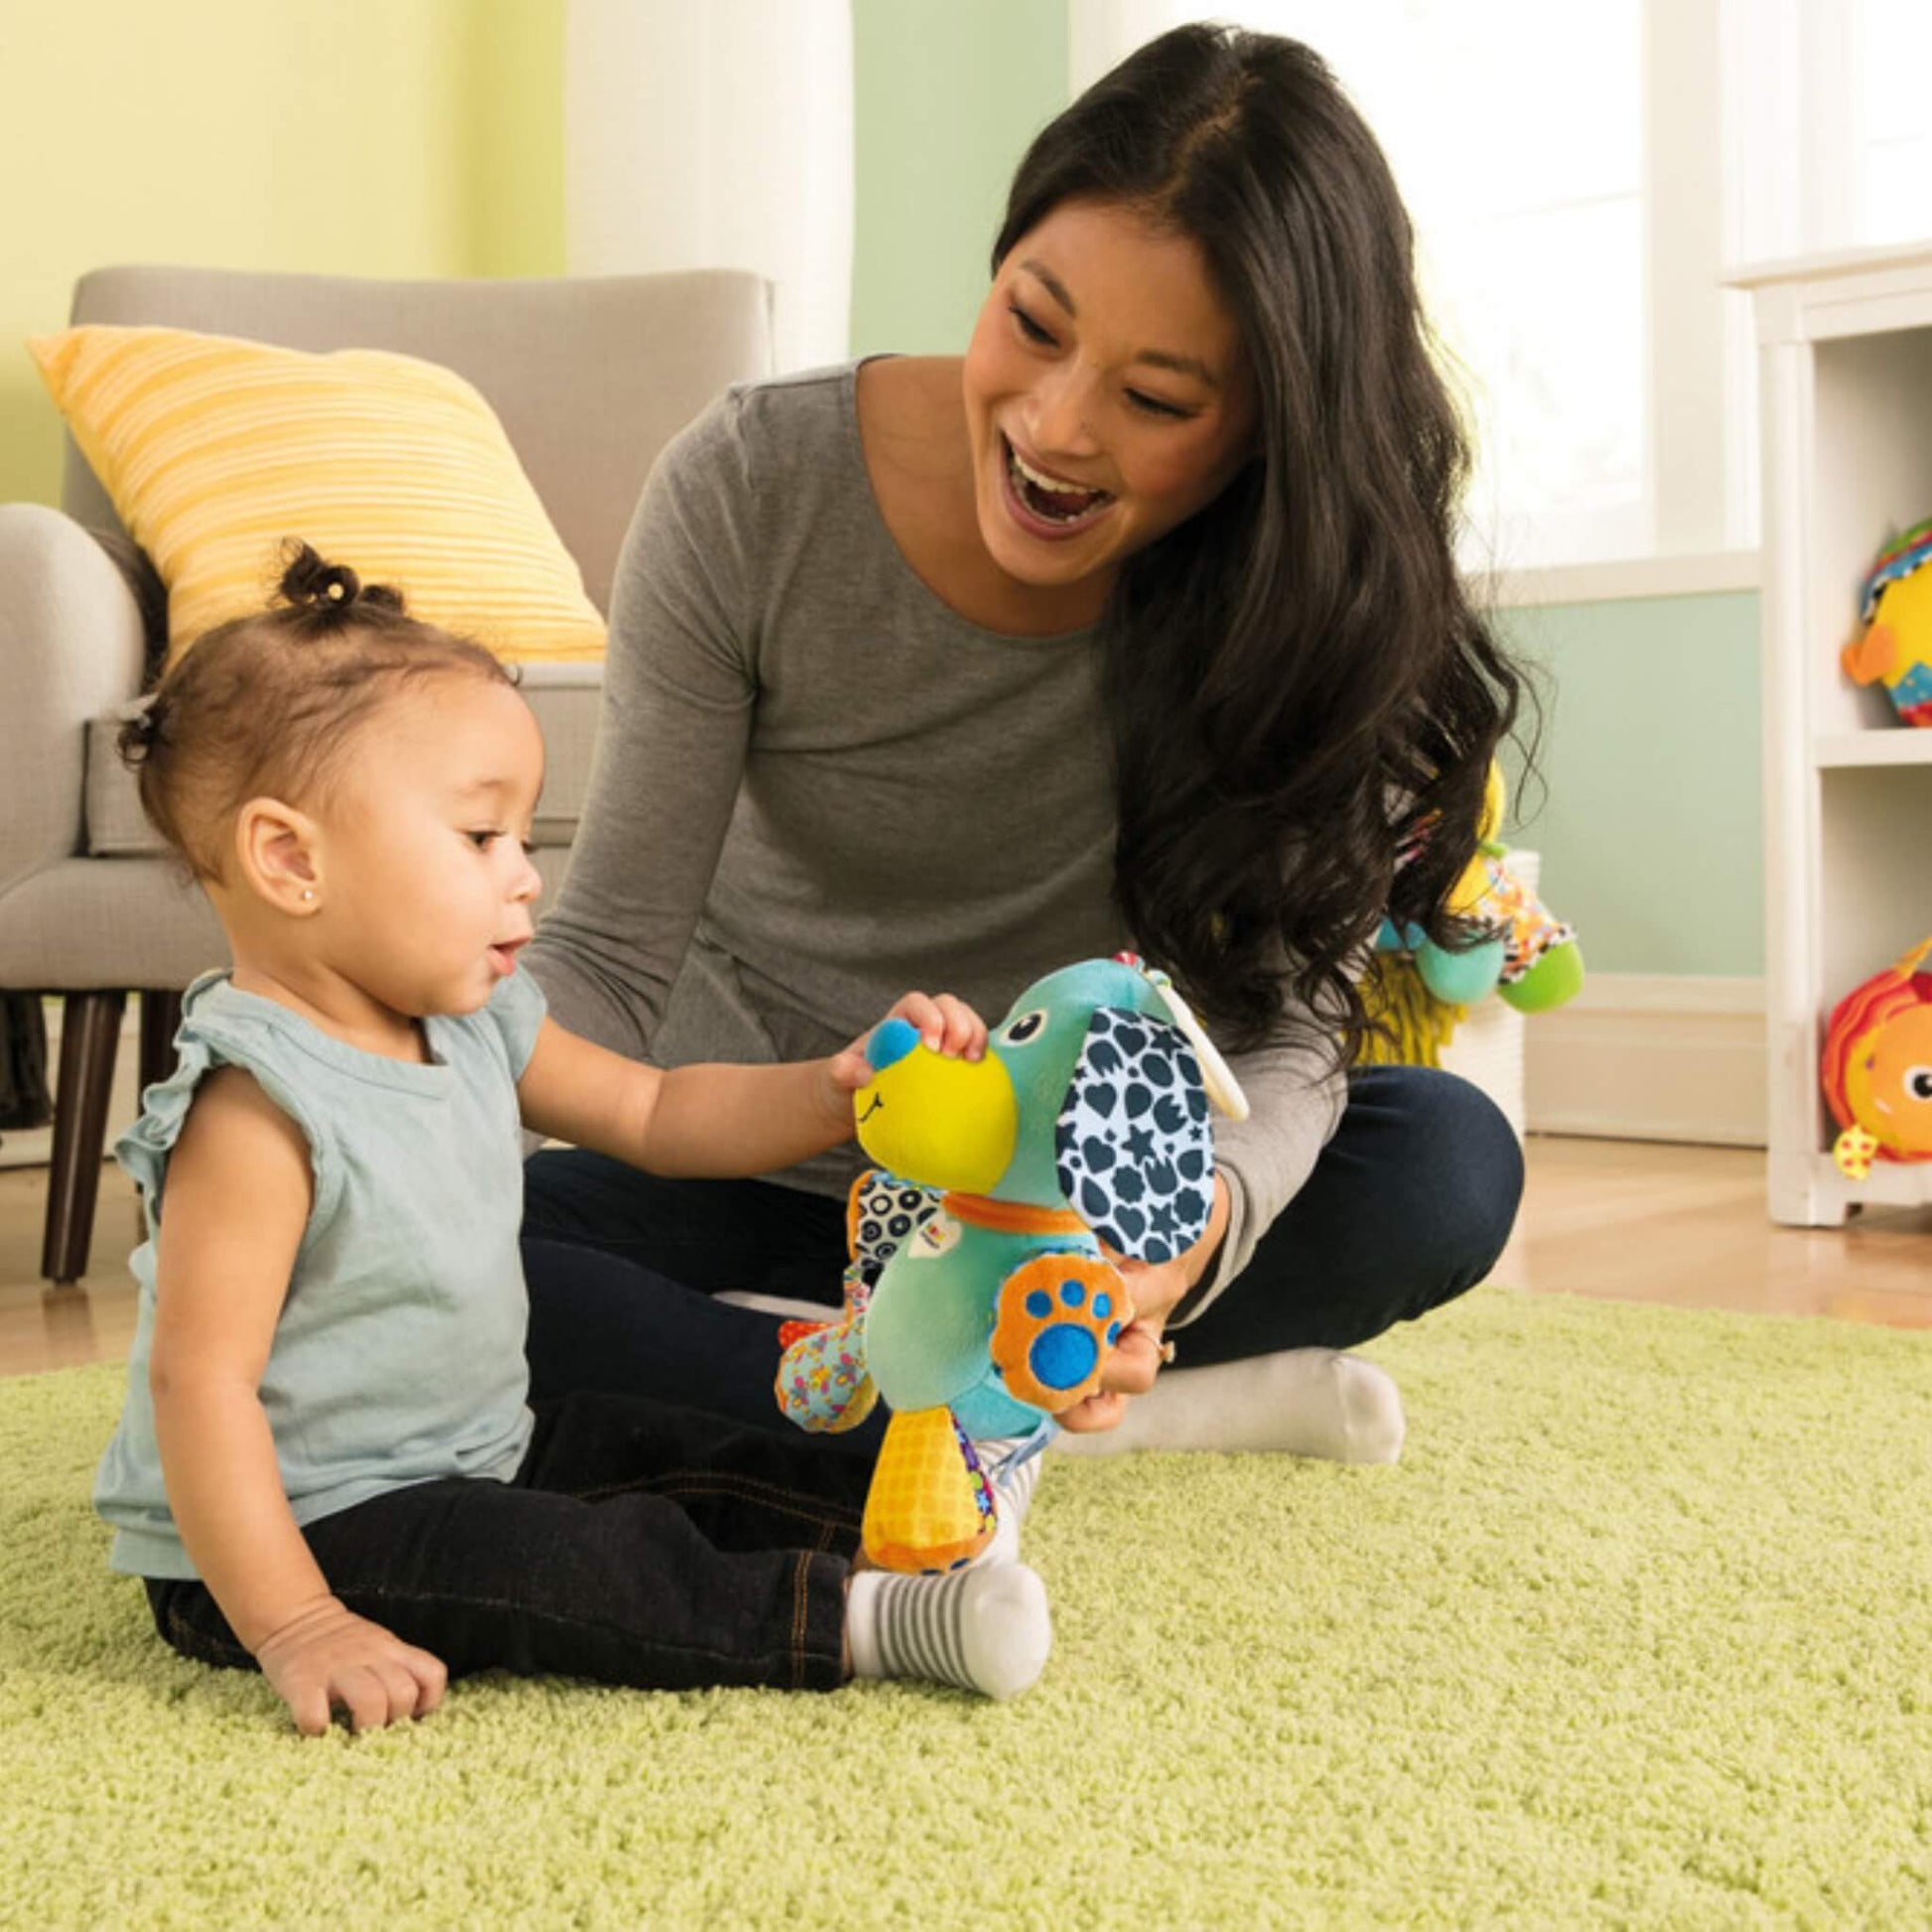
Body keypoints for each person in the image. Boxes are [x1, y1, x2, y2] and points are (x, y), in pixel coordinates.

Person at [519, 21, 1530, 1459]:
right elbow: (608, 960)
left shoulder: (1316, 596)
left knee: (1443, 1159)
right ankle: (1047, 1408)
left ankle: (851, 1387)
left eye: (1156, 398)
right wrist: (379, 1090)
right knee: (427, 1244)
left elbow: (1290, 1031)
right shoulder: (752, 488)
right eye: (1031, 323)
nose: (1054, 426)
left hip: (1088, 1217)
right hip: (744, 1166)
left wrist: (1183, 1242)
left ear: (1268, 431)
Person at [92, 545, 1057, 1737]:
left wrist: (834, 1088)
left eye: (523, 842)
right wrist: (294, 1619)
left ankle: (909, 1512)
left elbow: (652, 1114)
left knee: (684, 1448)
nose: (526, 880)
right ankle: (861, 1620)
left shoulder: (472, 1018)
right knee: (579, 1563)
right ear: (291, 860)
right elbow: (201, 1382)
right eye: (481, 838)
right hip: (304, 1527)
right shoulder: (256, 1106)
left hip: (486, 1444)